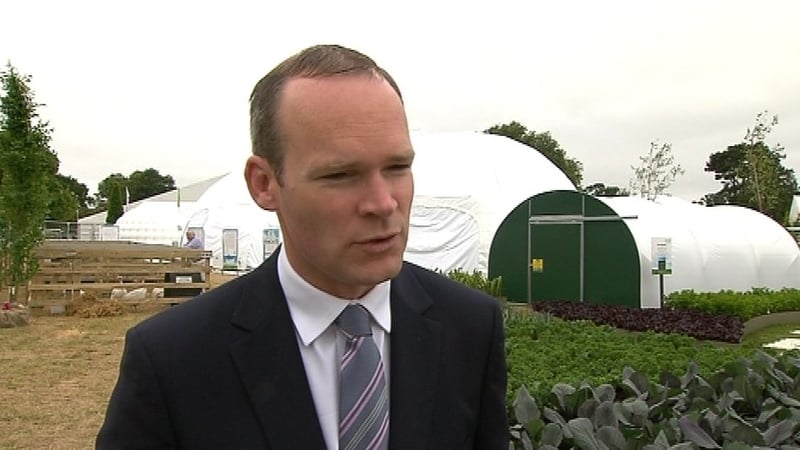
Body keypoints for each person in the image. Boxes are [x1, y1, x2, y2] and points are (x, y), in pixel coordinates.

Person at [97, 44, 508, 449]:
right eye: (341, 174)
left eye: (398, 167)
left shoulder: (470, 328)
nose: (383, 203)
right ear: (264, 184)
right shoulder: (173, 360)